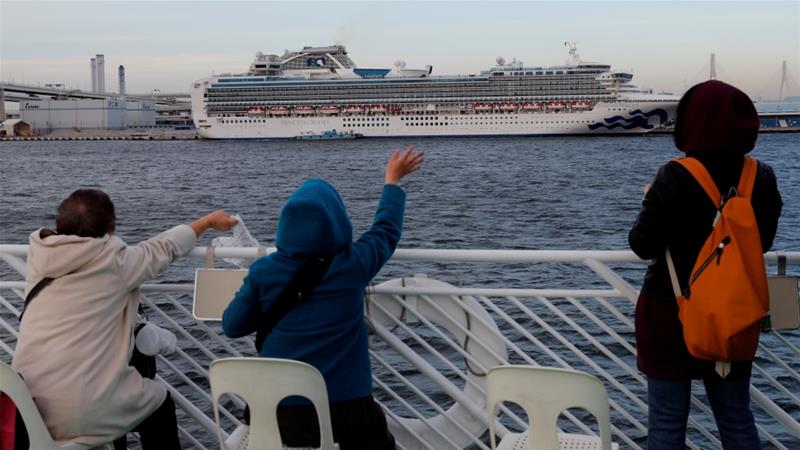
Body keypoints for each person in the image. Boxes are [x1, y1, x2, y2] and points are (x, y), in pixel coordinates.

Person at [222, 146, 424, 450]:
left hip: (280, 409)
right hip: (349, 408)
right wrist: (392, 182)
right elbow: (385, 231)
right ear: (337, 222)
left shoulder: (264, 271)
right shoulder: (353, 265)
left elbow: (233, 326)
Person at [12, 189, 237, 449]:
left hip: (29, 410)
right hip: (83, 411)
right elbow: (165, 247)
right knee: (158, 402)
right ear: (110, 228)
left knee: (109, 386)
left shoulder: (39, 260)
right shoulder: (116, 262)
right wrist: (207, 222)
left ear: (60, 225)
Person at [629, 80, 782, 450]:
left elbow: (642, 245)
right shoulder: (759, 176)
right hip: (734, 313)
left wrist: (651, 201)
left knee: (666, 425)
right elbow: (763, 243)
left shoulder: (674, 175)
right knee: (736, 420)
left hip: (669, 312)